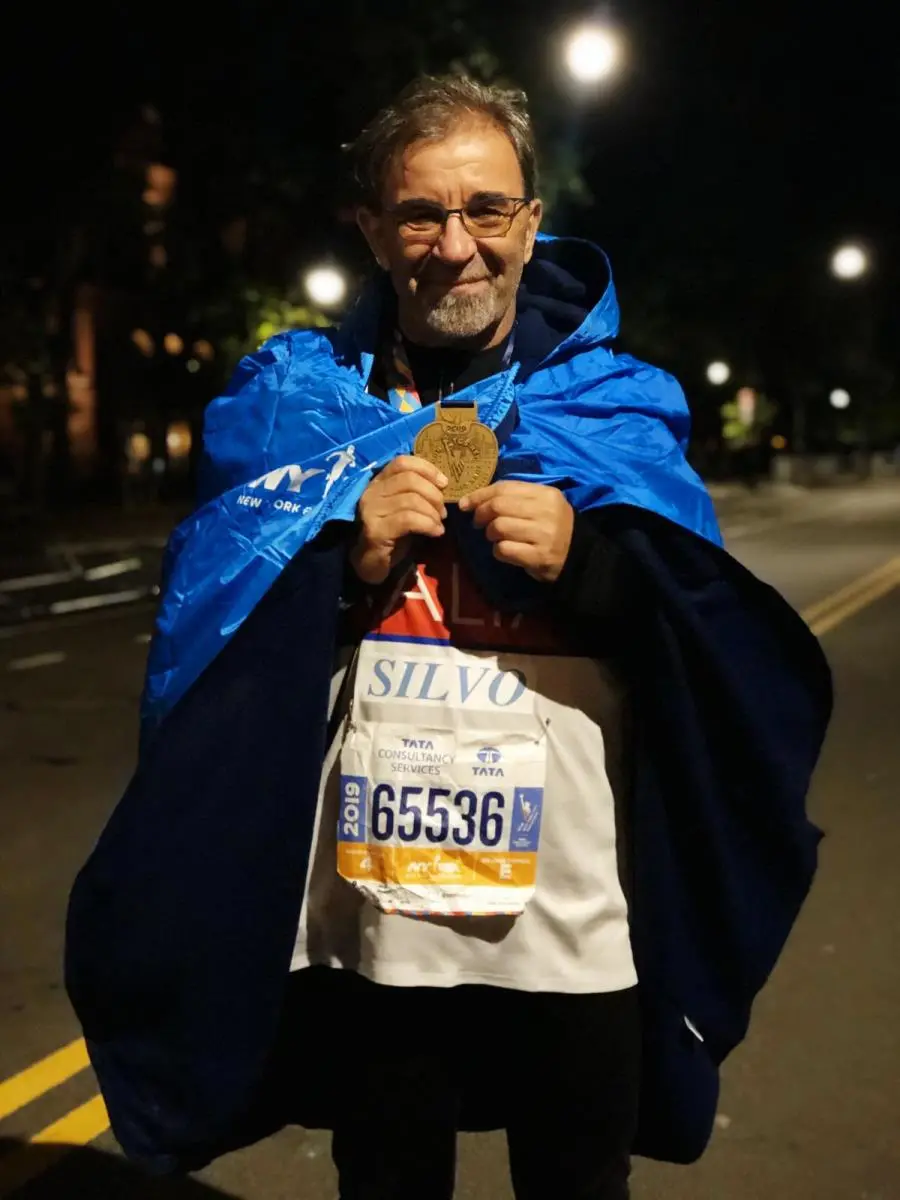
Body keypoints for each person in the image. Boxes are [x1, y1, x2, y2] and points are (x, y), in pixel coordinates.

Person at [65, 76, 832, 1199]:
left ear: (530, 222)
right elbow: (211, 628)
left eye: (486, 209)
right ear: (374, 229)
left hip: (573, 922)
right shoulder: (295, 406)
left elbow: (710, 652)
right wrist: (339, 558)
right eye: (420, 213)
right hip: (379, 928)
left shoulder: (615, 405)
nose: (454, 245)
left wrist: (593, 562)